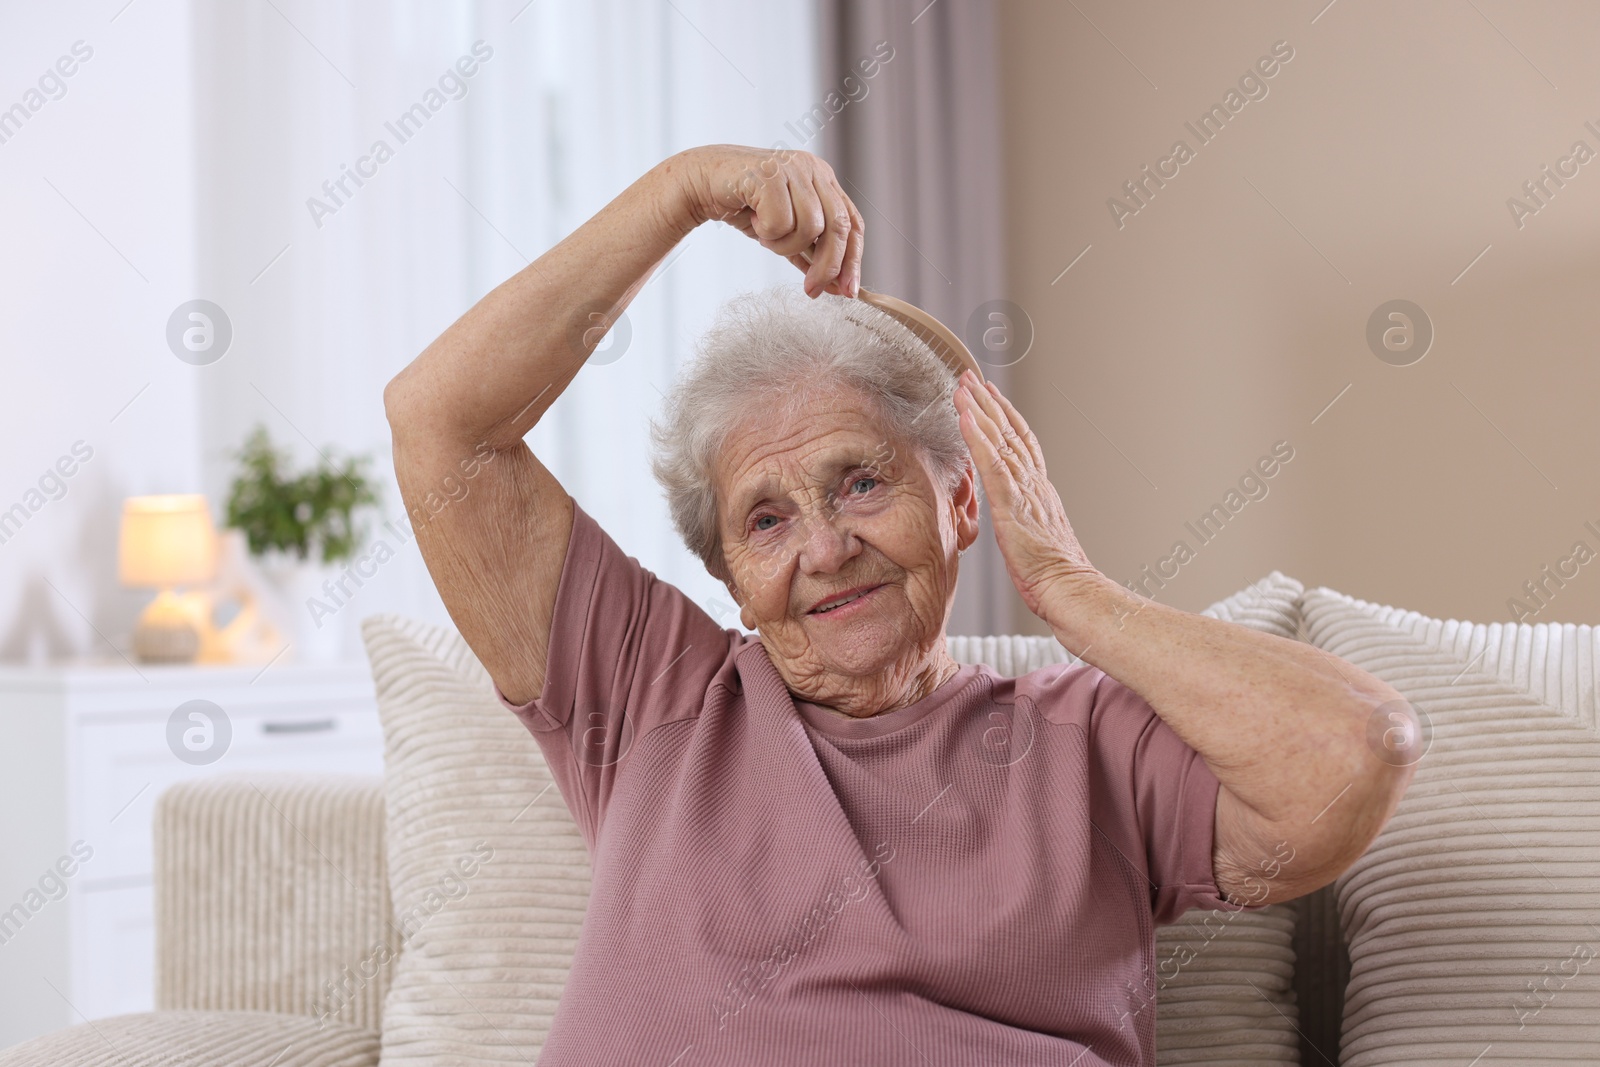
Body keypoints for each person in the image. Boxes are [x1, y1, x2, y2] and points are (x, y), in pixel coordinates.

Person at [383, 144, 1414, 1066]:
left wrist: (1072, 588)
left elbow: (1356, 746)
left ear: (965, 498)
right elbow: (441, 426)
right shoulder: (653, 693)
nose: (826, 548)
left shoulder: (1090, 744)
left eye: (861, 482)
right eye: (767, 519)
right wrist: (682, 189)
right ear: (731, 574)